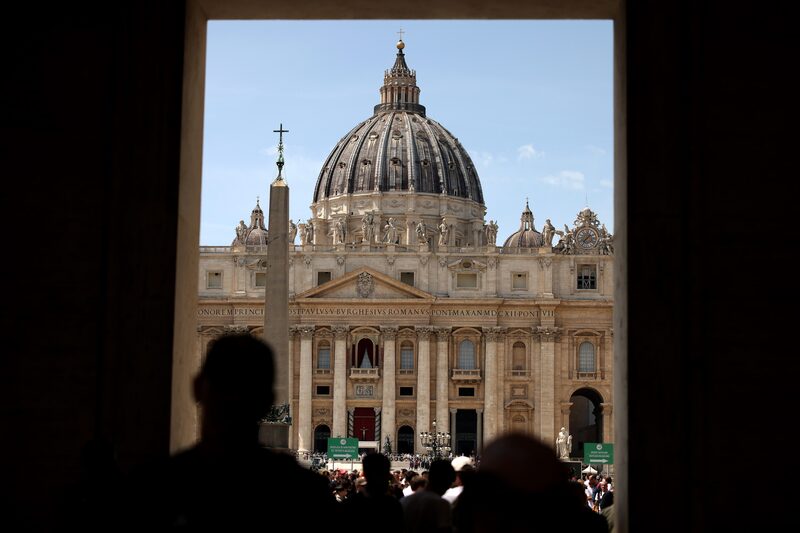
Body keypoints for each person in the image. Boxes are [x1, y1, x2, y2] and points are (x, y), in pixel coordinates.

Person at [123, 334, 339, 531]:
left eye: (242, 392)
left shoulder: (150, 488)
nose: (234, 399)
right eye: (226, 388)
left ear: (197, 387)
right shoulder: (306, 494)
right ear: (270, 402)